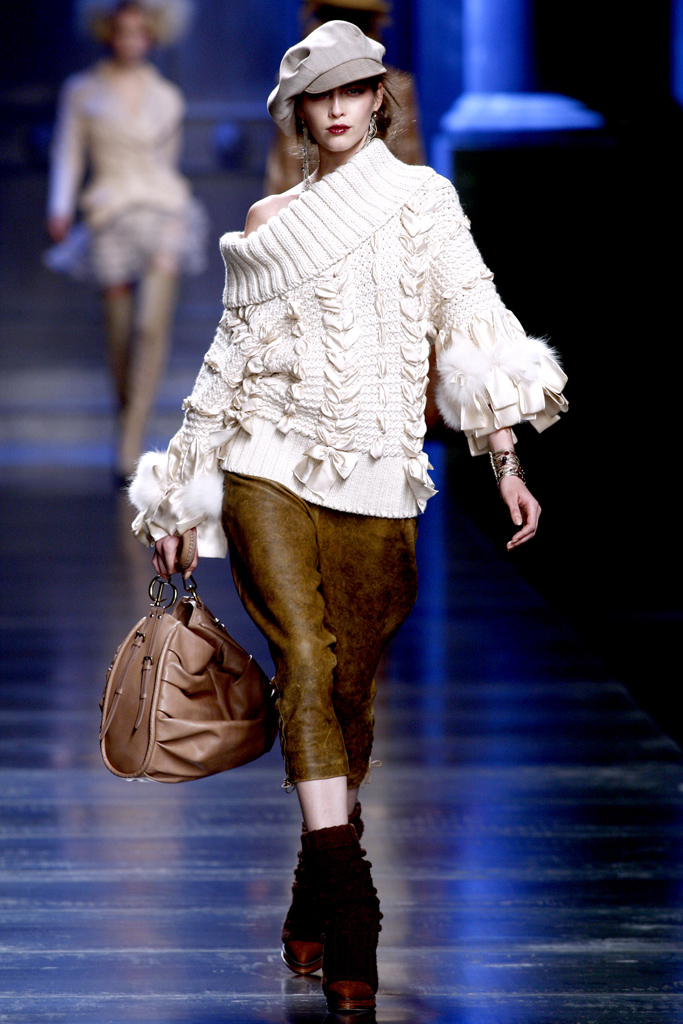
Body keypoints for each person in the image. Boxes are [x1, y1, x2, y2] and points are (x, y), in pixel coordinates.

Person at [128, 20, 568, 1014]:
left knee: (349, 692)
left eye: (351, 89)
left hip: (377, 472)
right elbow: (228, 360)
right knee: (306, 663)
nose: (334, 109)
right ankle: (353, 902)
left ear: (377, 100)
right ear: (296, 113)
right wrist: (180, 490)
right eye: (316, 95)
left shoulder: (423, 201)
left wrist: (501, 455)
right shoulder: (270, 217)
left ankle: (315, 877)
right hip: (266, 463)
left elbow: (469, 318)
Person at [45, 0, 206, 480]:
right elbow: (68, 151)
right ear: (107, 31)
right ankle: (127, 431)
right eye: (122, 30)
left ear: (153, 34)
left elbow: (167, 165)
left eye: (140, 30)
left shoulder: (167, 97)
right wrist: (59, 205)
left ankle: (130, 443)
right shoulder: (82, 91)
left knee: (149, 328)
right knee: (119, 335)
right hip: (109, 214)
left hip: (163, 212)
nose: (131, 39)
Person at [263, 0, 425, 196]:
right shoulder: (300, 85)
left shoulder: (398, 87)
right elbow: (285, 174)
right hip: (309, 205)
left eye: (354, 91)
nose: (336, 109)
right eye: (320, 94)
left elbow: (411, 169)